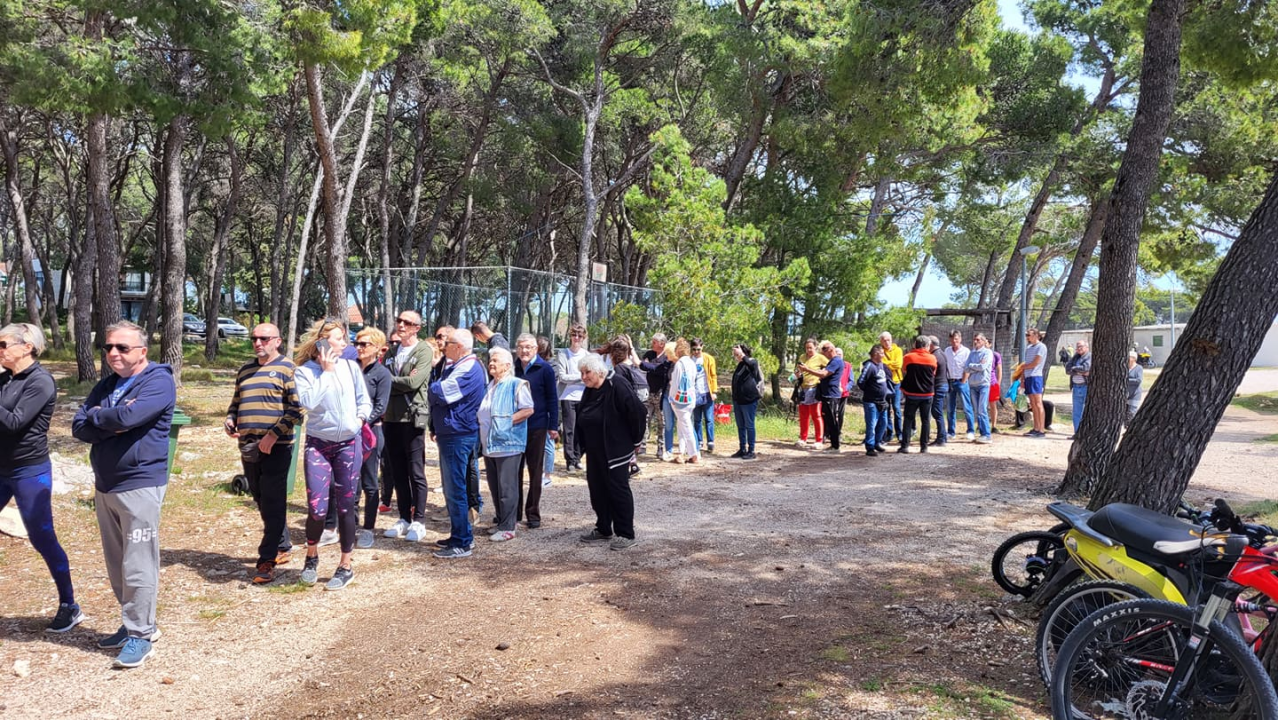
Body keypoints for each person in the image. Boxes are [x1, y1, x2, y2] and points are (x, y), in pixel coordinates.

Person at [72, 320, 176, 668]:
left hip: (140, 484)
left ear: (142, 352)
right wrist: (109, 420)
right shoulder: (107, 385)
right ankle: (134, 620)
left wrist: (102, 418)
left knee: (138, 562)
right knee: (117, 564)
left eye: (122, 348)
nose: (113, 353)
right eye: (108, 347)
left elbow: (132, 416)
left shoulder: (158, 380)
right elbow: (78, 426)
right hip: (106, 483)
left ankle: (140, 635)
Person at [0, 323, 80, 632]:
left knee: (42, 537)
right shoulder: (6, 378)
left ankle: (69, 604)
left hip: (29, 471)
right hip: (1, 468)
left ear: (27, 347)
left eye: (3, 344)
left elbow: (14, 423)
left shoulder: (41, 382)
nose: (0, 350)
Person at [294, 319, 371, 590]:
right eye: (339, 338)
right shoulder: (306, 372)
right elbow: (308, 403)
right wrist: (326, 372)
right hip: (319, 444)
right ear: (323, 342)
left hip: (348, 443)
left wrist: (359, 419)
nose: (345, 344)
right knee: (316, 508)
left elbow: (364, 400)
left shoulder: (350, 368)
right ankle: (311, 556)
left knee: (346, 505)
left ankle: (345, 565)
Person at [225, 323, 303, 585]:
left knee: (273, 499)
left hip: (277, 446)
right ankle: (282, 545)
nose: (258, 343)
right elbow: (236, 402)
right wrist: (230, 419)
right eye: (254, 339)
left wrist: (273, 435)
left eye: (264, 338)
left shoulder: (288, 369)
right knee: (259, 496)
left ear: (277, 341)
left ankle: (266, 561)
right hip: (248, 444)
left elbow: (297, 409)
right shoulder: (245, 370)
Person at [575, 353, 645, 550]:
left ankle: (625, 533)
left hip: (616, 449)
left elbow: (638, 412)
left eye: (587, 372)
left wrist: (636, 440)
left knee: (617, 489)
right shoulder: (590, 389)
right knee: (597, 489)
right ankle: (604, 528)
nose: (584, 377)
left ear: (599, 371)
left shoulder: (617, 385)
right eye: (581, 373)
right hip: (595, 449)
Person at [428, 328, 487, 558]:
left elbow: (439, 393)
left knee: (455, 490)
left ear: (459, 347)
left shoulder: (469, 369)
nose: (443, 347)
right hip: (453, 433)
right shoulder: (456, 366)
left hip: (458, 434)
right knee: (453, 488)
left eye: (448, 343)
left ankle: (463, 541)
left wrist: (432, 388)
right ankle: (459, 534)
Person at [382, 311, 434, 543]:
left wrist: (391, 380)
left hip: (412, 418)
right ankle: (403, 516)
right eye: (399, 321)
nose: (401, 325)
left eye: (407, 323)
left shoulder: (423, 350)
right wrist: (397, 382)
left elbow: (414, 382)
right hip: (391, 417)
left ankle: (419, 520)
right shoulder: (392, 351)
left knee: (415, 471)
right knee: (397, 471)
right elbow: (380, 380)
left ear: (417, 328)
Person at [478, 347, 534, 543]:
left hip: (508, 443)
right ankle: (502, 520)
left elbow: (528, 410)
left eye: (495, 360)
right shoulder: (489, 385)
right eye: (490, 360)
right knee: (495, 486)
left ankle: (509, 526)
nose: (491, 363)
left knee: (507, 486)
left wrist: (507, 421)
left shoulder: (516, 384)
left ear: (507, 365)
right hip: (490, 444)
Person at [514, 333, 558, 529]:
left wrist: (553, 426)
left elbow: (552, 399)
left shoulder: (545, 369)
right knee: (514, 471)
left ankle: (533, 514)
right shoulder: (512, 367)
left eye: (528, 347)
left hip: (537, 426)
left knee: (535, 470)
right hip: (514, 426)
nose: (524, 351)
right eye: (521, 347)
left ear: (536, 349)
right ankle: (512, 514)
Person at [353, 328, 391, 546]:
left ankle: (368, 529)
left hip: (371, 432)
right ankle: (351, 525)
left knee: (369, 481)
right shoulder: (351, 369)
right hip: (349, 432)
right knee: (351, 481)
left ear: (377, 349)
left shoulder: (382, 374)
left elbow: (381, 406)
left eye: (364, 344)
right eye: (357, 343)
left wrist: (361, 422)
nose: (359, 348)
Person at [604, 336, 648, 474]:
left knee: (625, 433)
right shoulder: (630, 364)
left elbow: (622, 391)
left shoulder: (620, 369)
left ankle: (630, 463)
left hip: (631, 404)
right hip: (642, 399)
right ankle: (633, 463)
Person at [554, 324, 589, 472]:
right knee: (569, 429)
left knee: (582, 429)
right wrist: (581, 377)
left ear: (583, 338)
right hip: (568, 396)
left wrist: (580, 378)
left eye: (580, 336)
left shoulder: (586, 355)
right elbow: (562, 377)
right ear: (570, 336)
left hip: (584, 396)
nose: (576, 338)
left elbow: (590, 376)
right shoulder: (563, 353)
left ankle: (578, 457)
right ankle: (569, 460)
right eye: (574, 335)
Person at [801, 341, 845, 452]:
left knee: (832, 421)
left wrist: (807, 370)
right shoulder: (832, 362)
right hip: (826, 394)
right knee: (829, 421)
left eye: (824, 349)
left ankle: (836, 446)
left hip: (832, 394)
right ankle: (834, 445)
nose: (823, 352)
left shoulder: (836, 361)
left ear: (831, 349)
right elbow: (823, 372)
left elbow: (824, 374)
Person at [897, 336, 936, 454]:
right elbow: (934, 372)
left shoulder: (908, 357)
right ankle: (924, 447)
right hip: (927, 394)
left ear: (915, 344)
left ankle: (905, 446)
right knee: (925, 420)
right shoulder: (932, 358)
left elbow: (904, 370)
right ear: (927, 346)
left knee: (908, 419)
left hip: (912, 393)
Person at [666, 338, 700, 463]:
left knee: (686, 426)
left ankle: (693, 454)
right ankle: (684, 452)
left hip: (681, 399)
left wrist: (671, 397)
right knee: (683, 425)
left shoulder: (680, 364)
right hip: (691, 397)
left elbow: (676, 383)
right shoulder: (691, 362)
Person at [639, 333, 672, 460]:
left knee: (661, 421)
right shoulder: (649, 354)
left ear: (661, 344)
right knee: (646, 418)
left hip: (661, 392)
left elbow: (660, 370)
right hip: (649, 391)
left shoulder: (667, 356)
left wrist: (651, 367)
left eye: (654, 342)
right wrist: (650, 367)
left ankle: (660, 447)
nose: (651, 344)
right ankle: (643, 445)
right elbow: (644, 365)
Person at [730, 343, 763, 460]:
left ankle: (751, 450)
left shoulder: (752, 362)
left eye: (737, 353)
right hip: (738, 400)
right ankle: (742, 448)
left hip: (748, 400)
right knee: (741, 426)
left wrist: (742, 355)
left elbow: (751, 365)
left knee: (749, 425)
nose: (736, 356)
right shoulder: (740, 365)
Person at [941, 330, 975, 441]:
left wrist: (964, 381)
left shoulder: (966, 351)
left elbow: (968, 367)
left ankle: (970, 431)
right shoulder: (947, 350)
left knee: (967, 407)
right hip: (950, 381)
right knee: (950, 408)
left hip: (962, 381)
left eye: (956, 339)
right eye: (952, 339)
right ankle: (951, 431)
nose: (954, 341)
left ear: (960, 339)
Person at [793, 337, 827, 448]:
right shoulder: (802, 357)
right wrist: (797, 374)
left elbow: (829, 370)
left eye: (811, 348)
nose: (808, 350)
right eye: (807, 348)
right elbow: (797, 369)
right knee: (803, 415)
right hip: (803, 388)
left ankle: (819, 440)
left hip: (814, 388)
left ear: (815, 347)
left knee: (816, 415)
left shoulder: (821, 358)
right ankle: (803, 438)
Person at [857, 345, 890, 456]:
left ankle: (877, 442)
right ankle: (870, 446)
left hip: (882, 401)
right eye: (882, 353)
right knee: (871, 424)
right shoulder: (869, 366)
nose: (883, 355)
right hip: (871, 402)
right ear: (876, 354)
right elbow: (861, 382)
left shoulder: (881, 365)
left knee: (883, 423)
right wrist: (871, 391)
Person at [689, 339, 718, 453]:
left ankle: (710, 441)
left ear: (702, 347)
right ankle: (699, 441)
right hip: (695, 393)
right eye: (694, 349)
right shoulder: (690, 359)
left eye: (698, 349)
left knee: (709, 418)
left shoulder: (708, 359)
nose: (696, 352)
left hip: (707, 392)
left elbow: (713, 375)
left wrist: (714, 391)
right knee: (697, 419)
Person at [966, 333, 994, 444]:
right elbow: (966, 368)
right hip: (972, 385)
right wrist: (975, 366)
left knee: (982, 409)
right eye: (974, 339)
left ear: (983, 341)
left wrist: (972, 366)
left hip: (983, 384)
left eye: (978, 340)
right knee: (977, 410)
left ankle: (987, 434)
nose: (975, 341)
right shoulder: (972, 353)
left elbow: (983, 367)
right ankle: (982, 433)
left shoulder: (987, 352)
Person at [537, 336, 557, 487]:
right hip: (534, 410)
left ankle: (547, 475)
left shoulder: (551, 366)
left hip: (547, 409)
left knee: (548, 443)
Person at [1022, 328, 1049, 436]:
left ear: (1036, 336)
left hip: (1036, 376)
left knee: (1038, 403)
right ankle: (1036, 427)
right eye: (1027, 335)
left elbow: (1036, 362)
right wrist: (1022, 378)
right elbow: (1026, 363)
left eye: (1029, 335)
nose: (1028, 337)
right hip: (1028, 376)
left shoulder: (1041, 347)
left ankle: (1041, 429)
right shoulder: (1028, 348)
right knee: (1032, 404)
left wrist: (1024, 367)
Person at [878, 332, 903, 442]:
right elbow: (880, 364)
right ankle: (889, 433)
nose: (887, 342)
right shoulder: (880, 351)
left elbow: (898, 364)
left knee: (897, 408)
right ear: (881, 341)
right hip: (885, 383)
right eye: (884, 340)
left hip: (896, 382)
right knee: (887, 408)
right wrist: (889, 364)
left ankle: (900, 433)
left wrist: (886, 363)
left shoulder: (898, 350)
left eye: (888, 340)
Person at [1064, 339, 1092, 437]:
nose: (1079, 349)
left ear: (1086, 347)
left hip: (1086, 387)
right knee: (1076, 411)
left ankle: (1085, 434)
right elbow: (1067, 368)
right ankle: (1077, 433)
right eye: (1077, 347)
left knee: (1085, 411)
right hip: (1076, 387)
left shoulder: (1089, 356)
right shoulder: (1075, 357)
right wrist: (1078, 370)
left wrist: (1075, 369)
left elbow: (1086, 368)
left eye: (1081, 347)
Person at [928, 336, 949, 447]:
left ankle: (941, 438)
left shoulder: (934, 356)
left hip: (939, 385)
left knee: (937, 412)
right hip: (943, 384)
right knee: (937, 411)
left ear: (931, 344)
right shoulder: (942, 353)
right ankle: (943, 436)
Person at [1126, 350, 1144, 426]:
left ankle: (1131, 428)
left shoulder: (1139, 368)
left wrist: (1126, 380)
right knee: (1125, 414)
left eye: (1129, 357)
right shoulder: (1125, 367)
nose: (1127, 359)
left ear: (1134, 358)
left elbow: (1138, 380)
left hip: (1135, 394)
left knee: (1131, 413)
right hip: (1126, 394)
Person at [989, 348, 1003, 432]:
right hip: (981, 383)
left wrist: (998, 383)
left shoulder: (995, 355)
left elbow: (999, 369)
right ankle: (981, 424)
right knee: (981, 406)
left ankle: (994, 426)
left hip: (992, 383)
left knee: (992, 405)